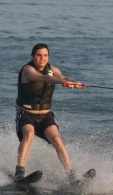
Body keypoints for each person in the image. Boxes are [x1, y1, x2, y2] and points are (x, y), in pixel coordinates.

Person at [15, 43, 84, 183]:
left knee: (57, 139)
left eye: (45, 55)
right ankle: (19, 172)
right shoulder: (28, 70)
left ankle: (71, 175)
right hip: (26, 114)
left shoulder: (53, 69)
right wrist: (62, 82)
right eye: (39, 55)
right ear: (33, 56)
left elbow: (61, 77)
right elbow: (45, 78)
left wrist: (73, 82)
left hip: (45, 115)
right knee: (29, 134)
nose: (42, 58)